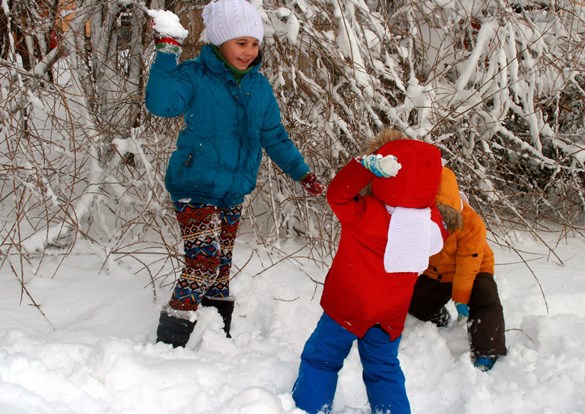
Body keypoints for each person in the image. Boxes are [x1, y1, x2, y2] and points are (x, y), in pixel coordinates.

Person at [145, 0, 325, 348]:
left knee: (221, 264)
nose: (249, 51)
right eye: (241, 43)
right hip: (194, 185)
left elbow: (274, 137)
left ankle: (215, 334)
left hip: (233, 190)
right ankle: (170, 339)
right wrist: (167, 52)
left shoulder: (258, 87)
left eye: (254, 43)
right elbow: (161, 103)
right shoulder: (195, 76)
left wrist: (302, 174)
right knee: (203, 262)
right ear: (221, 42)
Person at [292, 129, 449, 414]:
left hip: (347, 308)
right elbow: (429, 206)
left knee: (321, 359)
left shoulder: (365, 214)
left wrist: (363, 167)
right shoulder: (430, 225)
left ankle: (310, 408)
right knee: (384, 369)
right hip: (390, 315)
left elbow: (337, 195)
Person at [408, 167, 507, 371]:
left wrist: (461, 298)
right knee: (416, 301)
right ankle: (441, 319)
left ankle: (488, 348)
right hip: (438, 272)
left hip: (476, 269)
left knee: (485, 298)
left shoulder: (471, 223)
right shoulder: (420, 218)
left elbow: (468, 265)